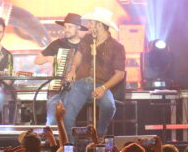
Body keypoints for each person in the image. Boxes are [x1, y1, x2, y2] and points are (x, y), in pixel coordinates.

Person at [62, 8, 125, 138]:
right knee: (67, 114)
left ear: (100, 25)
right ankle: (70, 147)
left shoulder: (117, 47)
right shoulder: (87, 38)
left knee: (109, 106)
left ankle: (100, 132)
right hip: (81, 83)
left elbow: (120, 74)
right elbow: (78, 54)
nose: (89, 25)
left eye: (91, 23)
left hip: (101, 85)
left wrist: (103, 88)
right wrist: (73, 69)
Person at [34, 13, 87, 126]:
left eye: (70, 27)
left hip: (77, 89)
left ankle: (68, 142)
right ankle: (52, 141)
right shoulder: (58, 44)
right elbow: (37, 60)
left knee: (68, 118)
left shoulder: (85, 45)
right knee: (51, 120)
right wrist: (50, 58)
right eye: (65, 27)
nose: (66, 30)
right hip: (58, 87)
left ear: (78, 28)